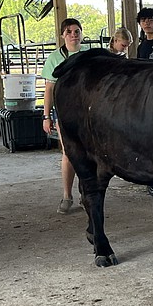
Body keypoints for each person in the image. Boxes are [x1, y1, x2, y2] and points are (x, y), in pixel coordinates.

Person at [41, 18, 91, 214]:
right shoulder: (55, 58)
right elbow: (49, 88)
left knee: (89, 153)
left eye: (76, 31)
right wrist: (46, 116)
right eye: (69, 31)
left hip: (87, 112)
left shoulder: (89, 56)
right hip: (65, 113)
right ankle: (67, 195)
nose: (73, 35)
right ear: (63, 35)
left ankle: (86, 192)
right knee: (69, 153)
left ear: (81, 33)